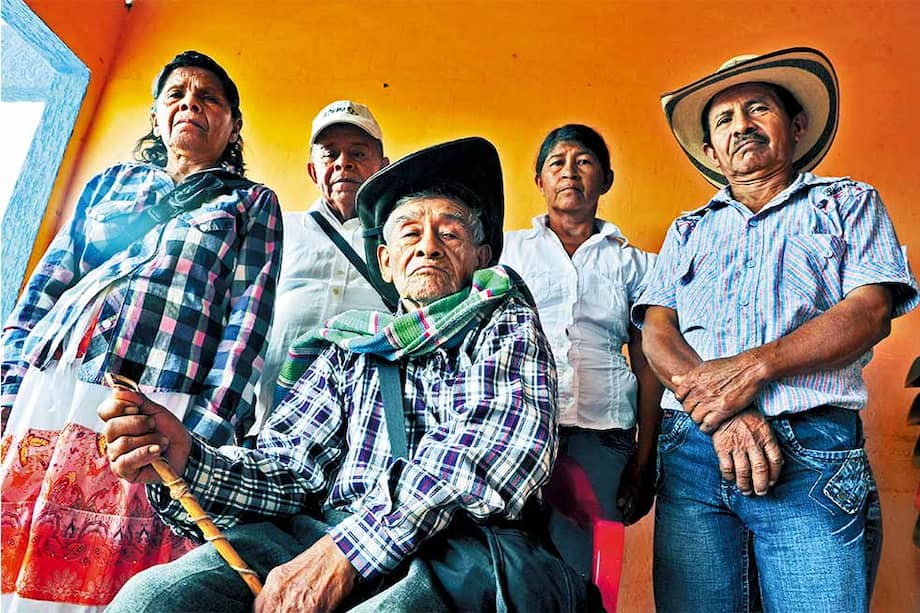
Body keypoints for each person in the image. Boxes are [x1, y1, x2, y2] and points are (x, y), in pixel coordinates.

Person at [100, 137, 598, 612]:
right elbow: (290, 469)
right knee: (155, 598)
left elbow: (500, 448)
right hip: (330, 529)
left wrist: (348, 552)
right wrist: (188, 459)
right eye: (409, 233)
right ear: (385, 260)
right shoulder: (347, 348)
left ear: (481, 257)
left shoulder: (501, 314)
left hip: (459, 546)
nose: (428, 246)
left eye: (450, 232)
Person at [634, 47, 919, 612]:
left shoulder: (846, 202)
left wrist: (753, 369)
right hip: (693, 450)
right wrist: (724, 409)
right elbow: (656, 331)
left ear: (796, 125)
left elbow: (868, 311)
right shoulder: (687, 230)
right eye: (724, 120)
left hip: (811, 448)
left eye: (757, 109)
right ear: (713, 150)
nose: (741, 126)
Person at [0, 51, 282, 611]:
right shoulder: (109, 185)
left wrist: (204, 437)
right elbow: (48, 284)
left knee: (120, 575)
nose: (190, 104)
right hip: (54, 387)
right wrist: (7, 384)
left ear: (233, 125)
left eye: (209, 97)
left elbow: (247, 325)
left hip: (158, 400)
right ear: (156, 118)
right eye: (176, 94)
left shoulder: (249, 204)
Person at [500, 124, 662, 580]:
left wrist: (643, 460)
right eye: (557, 163)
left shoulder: (636, 265)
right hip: (517, 433)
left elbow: (649, 365)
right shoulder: (505, 253)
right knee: (512, 573)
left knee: (590, 575)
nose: (570, 172)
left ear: (606, 179)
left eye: (584, 162)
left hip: (604, 438)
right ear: (540, 182)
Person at [252, 100, 393, 435]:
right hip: (275, 420)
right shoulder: (278, 229)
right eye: (330, 154)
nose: (344, 163)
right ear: (314, 171)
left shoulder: (401, 240)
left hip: (367, 428)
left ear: (383, 168)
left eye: (359, 153)